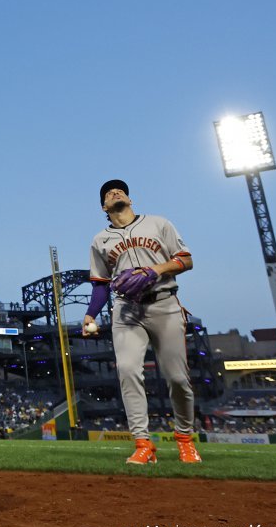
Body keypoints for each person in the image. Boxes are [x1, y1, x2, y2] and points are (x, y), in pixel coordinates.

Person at [83, 179, 201, 464]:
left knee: (177, 379)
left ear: (130, 199)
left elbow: (186, 260)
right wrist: (90, 313)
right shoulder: (100, 240)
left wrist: (155, 270)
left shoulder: (159, 224)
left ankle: (185, 439)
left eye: (120, 189)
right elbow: (100, 284)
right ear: (104, 206)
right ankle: (143, 444)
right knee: (127, 370)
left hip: (164, 304)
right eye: (109, 192)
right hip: (126, 311)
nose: (115, 191)